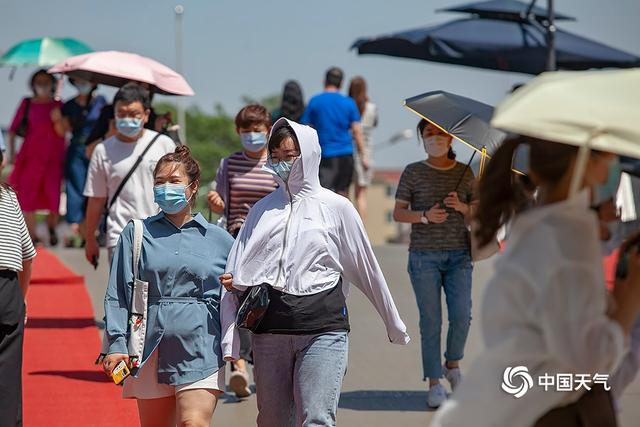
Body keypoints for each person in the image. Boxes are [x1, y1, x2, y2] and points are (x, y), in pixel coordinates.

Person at [432, 137, 640, 427]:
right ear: (584, 165)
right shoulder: (566, 240)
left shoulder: (546, 228)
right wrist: (629, 298)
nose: (615, 166)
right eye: (608, 157)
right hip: (556, 411)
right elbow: (589, 358)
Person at [219, 118, 409, 427]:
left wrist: (393, 322)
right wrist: (232, 329)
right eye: (276, 156)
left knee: (317, 420)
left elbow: (366, 267)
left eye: (290, 155)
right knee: (272, 420)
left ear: (308, 154)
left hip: (322, 330)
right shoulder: (261, 210)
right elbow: (237, 270)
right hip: (270, 332)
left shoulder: (337, 208)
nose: (282, 163)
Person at [101, 146, 234, 427]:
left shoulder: (221, 240)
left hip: (203, 344)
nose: (165, 188)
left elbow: (240, 293)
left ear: (193, 186)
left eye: (174, 181)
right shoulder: (137, 233)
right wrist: (115, 343)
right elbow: (118, 294)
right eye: (159, 182)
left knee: (194, 423)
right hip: (148, 345)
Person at [393, 119, 475, 408]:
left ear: (452, 140)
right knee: (431, 322)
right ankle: (434, 382)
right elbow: (399, 213)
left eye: (441, 133)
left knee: (462, 317)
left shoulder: (466, 173)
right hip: (423, 257)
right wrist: (425, 215)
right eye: (429, 134)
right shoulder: (413, 172)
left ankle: (452, 365)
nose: (435, 138)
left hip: (459, 257)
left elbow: (477, 214)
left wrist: (462, 207)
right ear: (422, 139)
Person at [206, 104, 278, 398]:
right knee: (242, 299)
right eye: (246, 130)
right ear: (238, 131)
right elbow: (221, 200)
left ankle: (258, 363)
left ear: (268, 131)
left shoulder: (277, 164)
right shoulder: (229, 164)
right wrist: (215, 201)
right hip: (239, 239)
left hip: (272, 242)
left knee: (268, 302)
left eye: (257, 130)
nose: (251, 135)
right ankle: (239, 366)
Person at [84, 83, 176, 267]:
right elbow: (96, 199)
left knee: (158, 295)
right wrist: (90, 239)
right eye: (122, 114)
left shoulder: (164, 144)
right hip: (120, 236)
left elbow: (177, 188)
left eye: (134, 114)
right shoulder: (103, 151)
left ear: (146, 115)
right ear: (114, 115)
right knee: (123, 295)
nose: (127, 119)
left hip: (161, 236)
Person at [6, 69, 66, 245]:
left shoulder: (59, 105)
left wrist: (57, 120)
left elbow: (63, 132)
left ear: (53, 84)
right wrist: (10, 154)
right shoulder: (27, 104)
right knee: (27, 198)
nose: (42, 86)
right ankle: (32, 236)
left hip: (53, 160)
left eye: (46, 82)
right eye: (39, 82)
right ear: (33, 85)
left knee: (53, 197)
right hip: (30, 158)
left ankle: (52, 227)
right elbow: (12, 131)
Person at [0, 155, 37, 426]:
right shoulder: (8, 197)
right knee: (7, 377)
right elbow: (27, 255)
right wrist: (20, 299)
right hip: (7, 288)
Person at [302, 67, 367, 196]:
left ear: (324, 81)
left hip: (324, 154)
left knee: (321, 193)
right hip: (345, 153)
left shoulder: (315, 101)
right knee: (343, 193)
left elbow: (307, 129)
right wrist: (363, 154)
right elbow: (357, 131)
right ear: (341, 83)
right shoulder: (349, 103)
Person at [61, 78, 108, 247]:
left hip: (97, 149)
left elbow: (106, 125)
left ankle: (94, 231)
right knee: (76, 189)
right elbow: (63, 130)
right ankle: (82, 232)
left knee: (96, 190)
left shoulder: (101, 102)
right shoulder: (68, 105)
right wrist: (58, 115)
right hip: (76, 150)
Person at [348, 77, 378, 219]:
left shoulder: (347, 105)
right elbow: (375, 123)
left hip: (349, 149)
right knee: (361, 195)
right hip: (366, 151)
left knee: (345, 193)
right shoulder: (371, 107)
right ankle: (361, 229)